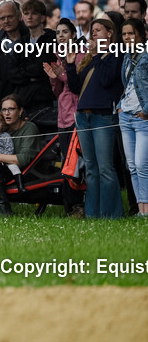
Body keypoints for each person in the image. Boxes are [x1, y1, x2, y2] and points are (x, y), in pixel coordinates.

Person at [66, 18, 124, 219]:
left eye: (98, 30)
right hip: (84, 116)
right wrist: (71, 66)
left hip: (103, 116)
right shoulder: (91, 59)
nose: (94, 35)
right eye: (93, 32)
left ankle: (111, 214)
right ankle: (92, 214)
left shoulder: (115, 54)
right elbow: (75, 88)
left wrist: (98, 55)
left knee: (105, 167)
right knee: (90, 168)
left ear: (110, 33)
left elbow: (108, 79)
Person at [43, 18, 85, 215]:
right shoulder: (58, 56)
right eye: (58, 32)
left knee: (76, 162)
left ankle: (79, 205)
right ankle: (69, 206)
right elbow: (58, 92)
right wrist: (54, 79)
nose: (60, 36)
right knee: (66, 163)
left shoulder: (80, 55)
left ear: (74, 35)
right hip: (63, 116)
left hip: (77, 115)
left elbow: (76, 84)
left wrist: (62, 75)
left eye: (65, 32)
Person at [118, 18, 148, 216]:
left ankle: (146, 210)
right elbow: (126, 85)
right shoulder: (127, 57)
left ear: (140, 34)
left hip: (142, 117)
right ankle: (140, 209)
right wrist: (120, 107)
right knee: (131, 167)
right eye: (124, 34)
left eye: (131, 33)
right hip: (126, 116)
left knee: (141, 165)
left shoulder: (146, 57)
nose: (127, 37)